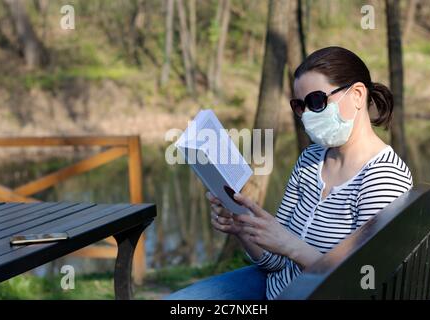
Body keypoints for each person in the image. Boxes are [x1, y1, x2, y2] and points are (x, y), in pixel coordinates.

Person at [163, 46, 413, 300]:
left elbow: (365, 284)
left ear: (357, 95)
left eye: (316, 101)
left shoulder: (382, 178)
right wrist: (242, 227)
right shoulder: (310, 159)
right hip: (273, 289)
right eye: (299, 106)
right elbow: (276, 262)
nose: (306, 115)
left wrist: (291, 246)